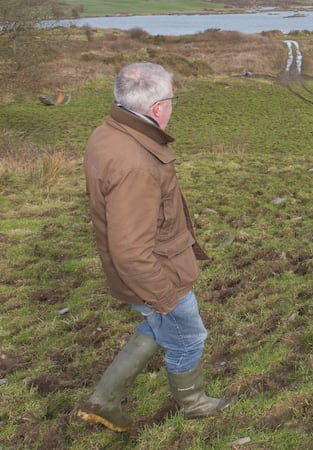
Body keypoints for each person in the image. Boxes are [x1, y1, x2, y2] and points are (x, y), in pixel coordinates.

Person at [77, 62, 231, 432]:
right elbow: (130, 252)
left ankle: (104, 399)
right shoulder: (137, 165)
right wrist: (165, 296)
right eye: (172, 99)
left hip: (148, 268)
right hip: (158, 273)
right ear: (158, 107)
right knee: (188, 334)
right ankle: (193, 403)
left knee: (157, 323)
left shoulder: (109, 132)